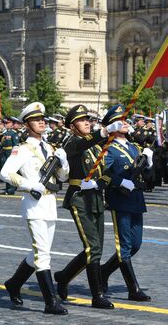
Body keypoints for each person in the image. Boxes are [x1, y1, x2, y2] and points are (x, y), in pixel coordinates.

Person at [0, 102, 70, 315]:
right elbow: (5, 173)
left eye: (43, 119)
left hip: (50, 204)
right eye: (36, 120)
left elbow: (63, 177)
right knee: (42, 255)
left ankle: (14, 283)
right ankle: (51, 302)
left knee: (40, 252)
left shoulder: (50, 148)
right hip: (34, 205)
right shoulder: (21, 149)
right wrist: (30, 185)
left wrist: (64, 163)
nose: (42, 122)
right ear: (26, 125)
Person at [54, 104, 120, 310]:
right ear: (72, 126)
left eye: (88, 120)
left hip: (95, 198)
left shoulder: (96, 147)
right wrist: (104, 131)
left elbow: (108, 170)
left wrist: (100, 182)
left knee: (95, 249)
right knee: (93, 248)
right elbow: (80, 146)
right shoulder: (71, 143)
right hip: (79, 199)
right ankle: (97, 295)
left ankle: (64, 277)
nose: (87, 123)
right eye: (82, 120)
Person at [99, 104, 153, 302]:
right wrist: (120, 181)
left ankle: (104, 271)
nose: (125, 123)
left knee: (135, 245)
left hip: (136, 199)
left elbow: (145, 174)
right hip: (119, 200)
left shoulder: (134, 147)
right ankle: (133, 288)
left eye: (125, 120)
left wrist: (149, 163)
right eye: (119, 121)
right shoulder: (108, 148)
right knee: (124, 246)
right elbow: (102, 173)